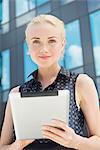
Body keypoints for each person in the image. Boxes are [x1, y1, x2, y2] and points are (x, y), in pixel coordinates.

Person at [0, 14, 100, 150]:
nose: (44, 49)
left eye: (52, 41)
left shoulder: (80, 83)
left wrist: (75, 141)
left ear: (62, 44)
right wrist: (19, 144)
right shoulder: (16, 93)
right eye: (36, 41)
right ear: (28, 47)